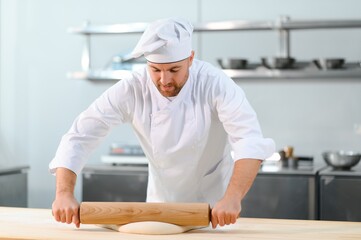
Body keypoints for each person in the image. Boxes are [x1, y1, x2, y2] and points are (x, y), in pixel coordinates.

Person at [49, 17, 275, 229]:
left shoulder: (215, 84)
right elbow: (80, 135)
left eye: (174, 70)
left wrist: (232, 198)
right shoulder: (133, 88)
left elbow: (249, 140)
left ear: (190, 59)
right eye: (155, 70)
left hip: (215, 212)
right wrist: (63, 193)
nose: (164, 80)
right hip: (158, 211)